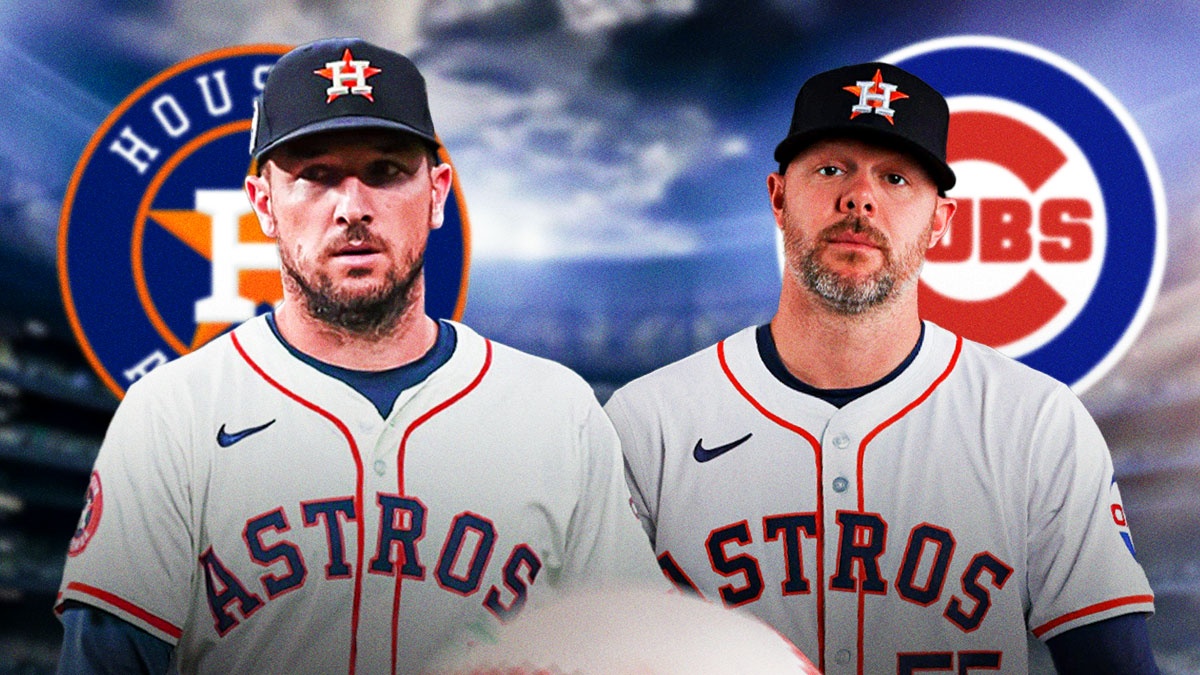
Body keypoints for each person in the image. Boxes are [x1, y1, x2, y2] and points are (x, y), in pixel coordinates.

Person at [55, 37, 663, 674]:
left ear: (437, 193)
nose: (352, 208)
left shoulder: (554, 410)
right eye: (315, 176)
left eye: (385, 172)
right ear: (263, 204)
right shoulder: (174, 413)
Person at [604, 62, 1157, 674]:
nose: (859, 198)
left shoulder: (1036, 423)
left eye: (895, 178)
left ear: (940, 221)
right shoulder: (649, 421)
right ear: (779, 196)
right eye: (831, 169)